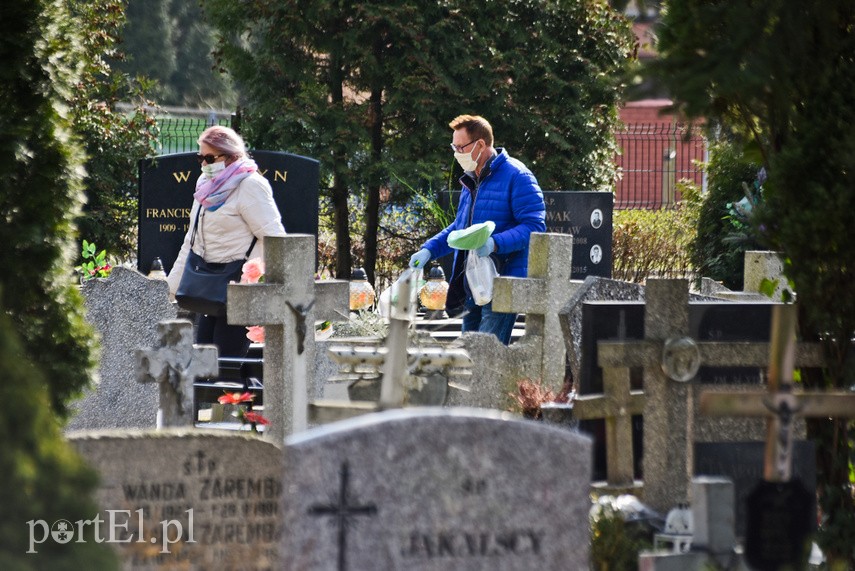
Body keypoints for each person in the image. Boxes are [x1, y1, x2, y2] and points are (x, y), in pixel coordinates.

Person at [409, 115, 546, 344]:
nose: (456, 153)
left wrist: (495, 243)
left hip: (501, 282)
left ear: (480, 144)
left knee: (484, 358)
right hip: (473, 282)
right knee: (468, 355)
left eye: (460, 147)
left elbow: (534, 227)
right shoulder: (472, 179)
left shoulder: (518, 176)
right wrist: (429, 250)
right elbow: (460, 228)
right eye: (454, 146)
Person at [167, 126, 286, 357]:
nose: (203, 164)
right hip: (209, 289)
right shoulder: (205, 185)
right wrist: (171, 288)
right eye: (200, 157)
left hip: (241, 291)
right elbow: (191, 241)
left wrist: (268, 290)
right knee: (204, 364)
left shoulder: (250, 185)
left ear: (231, 155)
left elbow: (275, 238)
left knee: (225, 367)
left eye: (210, 158)